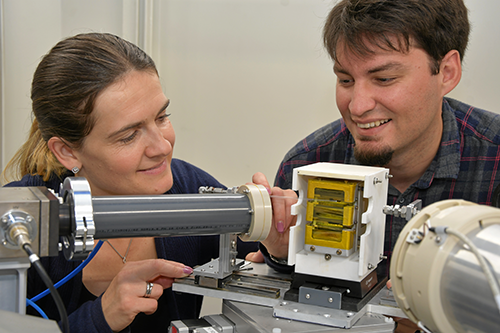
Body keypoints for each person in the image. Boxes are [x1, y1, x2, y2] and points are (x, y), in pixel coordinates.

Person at [2, 32, 294, 333]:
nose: (162, 147)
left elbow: (284, 279)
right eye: (128, 136)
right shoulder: (19, 221)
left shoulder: (189, 188)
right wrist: (99, 318)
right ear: (66, 151)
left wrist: (279, 248)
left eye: (162, 117)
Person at [274, 0, 500, 330]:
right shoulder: (306, 164)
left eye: (384, 78)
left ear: (447, 72)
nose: (358, 106)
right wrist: (279, 254)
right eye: (346, 80)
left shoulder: (494, 159)